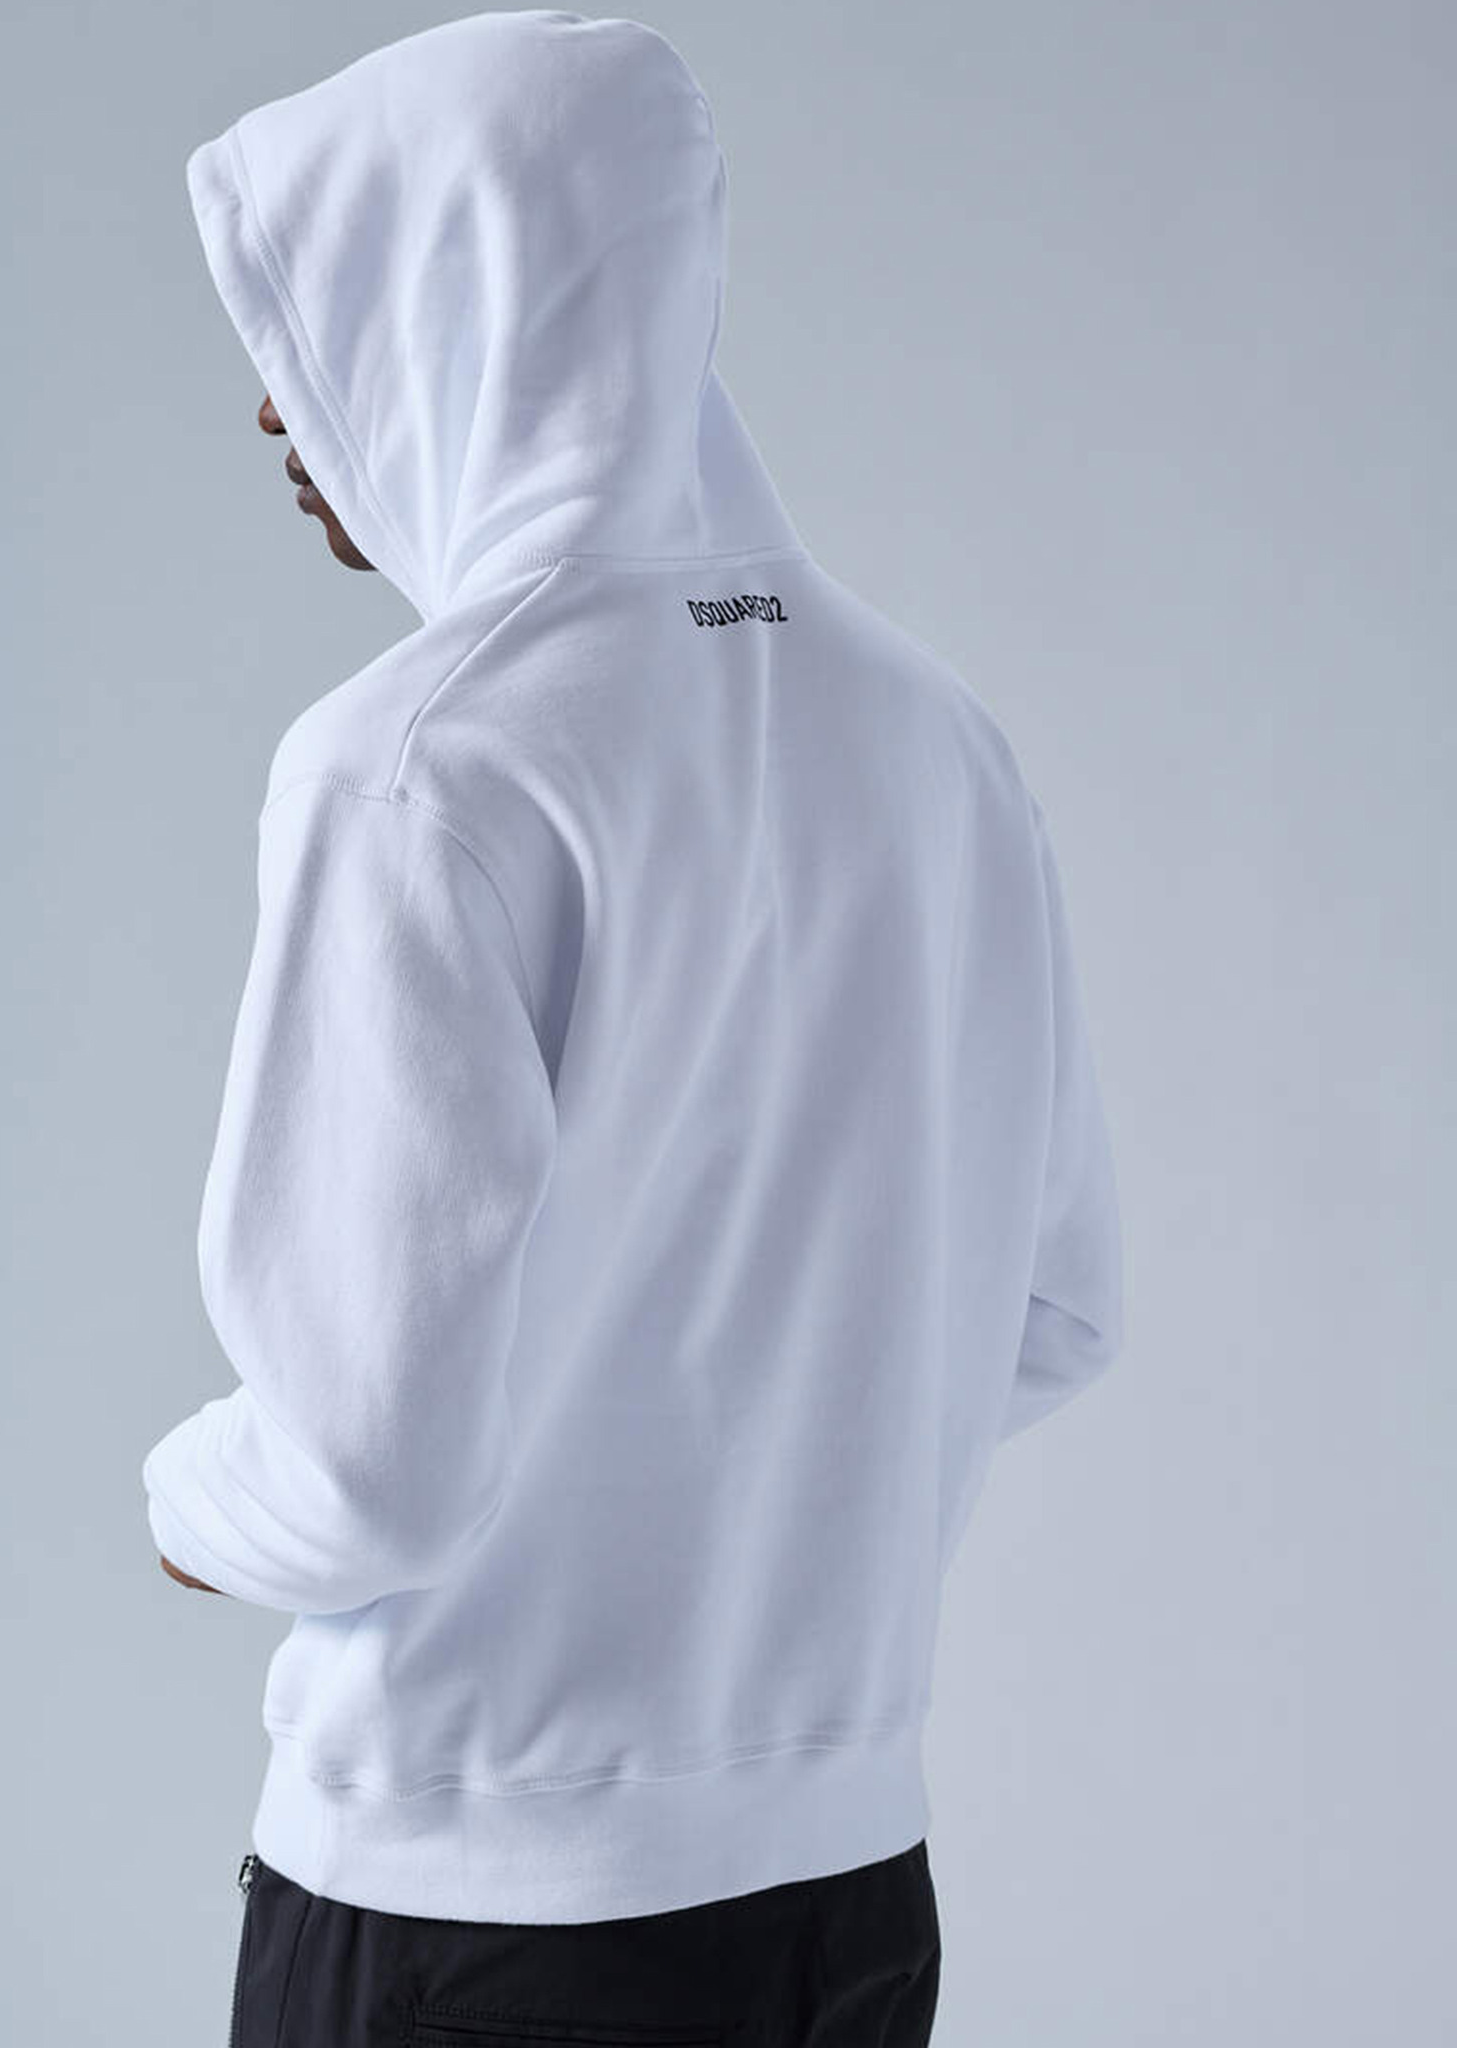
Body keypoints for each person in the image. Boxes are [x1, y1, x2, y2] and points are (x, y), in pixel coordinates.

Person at [140, 11, 1125, 2044]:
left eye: (320, 305)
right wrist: (768, 1506)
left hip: (476, 1912)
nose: (272, 407)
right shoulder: (934, 736)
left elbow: (362, 1473)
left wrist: (185, 1503)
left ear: (462, 299)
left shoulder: (417, 767)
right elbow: (1055, 1310)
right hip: (849, 1901)